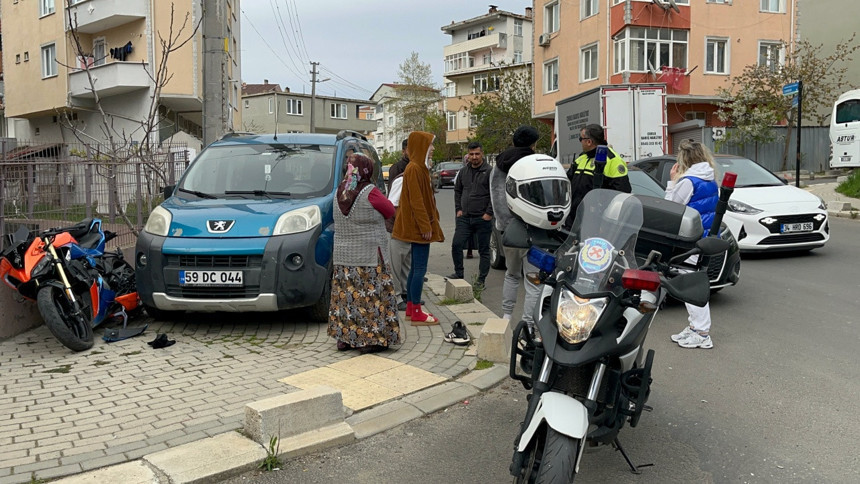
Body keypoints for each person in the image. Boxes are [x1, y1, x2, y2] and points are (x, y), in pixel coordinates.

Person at [328, 153, 401, 354]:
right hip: (369, 254)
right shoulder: (370, 192)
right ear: (367, 169)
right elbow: (389, 211)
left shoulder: (338, 191)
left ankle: (345, 339)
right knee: (371, 297)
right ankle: (370, 340)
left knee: (347, 297)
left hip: (343, 256)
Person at [666, 139, 718, 349]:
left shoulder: (689, 181)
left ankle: (702, 333)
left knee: (690, 284)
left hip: (690, 238)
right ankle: (696, 327)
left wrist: (672, 181)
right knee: (692, 281)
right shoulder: (710, 179)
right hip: (703, 237)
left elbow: (671, 207)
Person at [489, 126, 542, 326]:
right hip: (532, 230)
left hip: (509, 231)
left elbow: (496, 196)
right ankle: (528, 324)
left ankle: (507, 317)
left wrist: (504, 224)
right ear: (533, 143)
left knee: (511, 274)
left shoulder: (500, 162)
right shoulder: (533, 162)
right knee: (533, 281)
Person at [392, 131, 445, 324]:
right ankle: (416, 312)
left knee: (416, 268)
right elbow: (416, 201)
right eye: (430, 145)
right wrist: (425, 225)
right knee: (419, 269)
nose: (432, 148)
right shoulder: (414, 168)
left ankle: (411, 309)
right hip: (419, 228)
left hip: (421, 226)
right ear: (421, 146)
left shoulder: (419, 167)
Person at [564, 123, 632, 228]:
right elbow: (567, 183)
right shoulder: (581, 158)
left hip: (596, 222)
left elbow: (621, 194)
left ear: (589, 142)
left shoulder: (613, 161)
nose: (580, 142)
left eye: (581, 139)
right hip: (574, 220)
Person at [448, 141, 493, 287]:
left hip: (482, 218)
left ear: (482, 154)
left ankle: (481, 280)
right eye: (471, 154)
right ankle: (459, 273)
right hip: (465, 217)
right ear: (468, 155)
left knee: (484, 250)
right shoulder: (463, 172)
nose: (474, 157)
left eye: (477, 154)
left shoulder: (489, 171)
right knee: (456, 244)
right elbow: (458, 191)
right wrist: (458, 210)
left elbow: (495, 194)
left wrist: (489, 213)